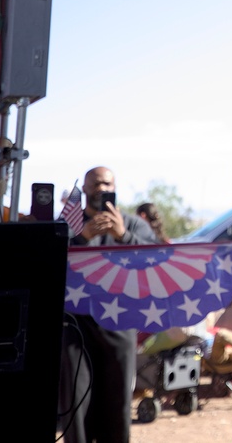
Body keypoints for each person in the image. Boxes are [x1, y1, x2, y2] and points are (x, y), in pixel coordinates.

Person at [58, 166, 161, 443]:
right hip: (76, 324)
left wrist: (122, 236)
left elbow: (153, 262)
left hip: (120, 323)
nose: (101, 189)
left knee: (117, 404)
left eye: (106, 183)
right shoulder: (69, 224)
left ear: (115, 187)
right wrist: (83, 238)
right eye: (94, 185)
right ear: (85, 189)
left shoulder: (133, 224)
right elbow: (52, 257)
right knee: (77, 402)